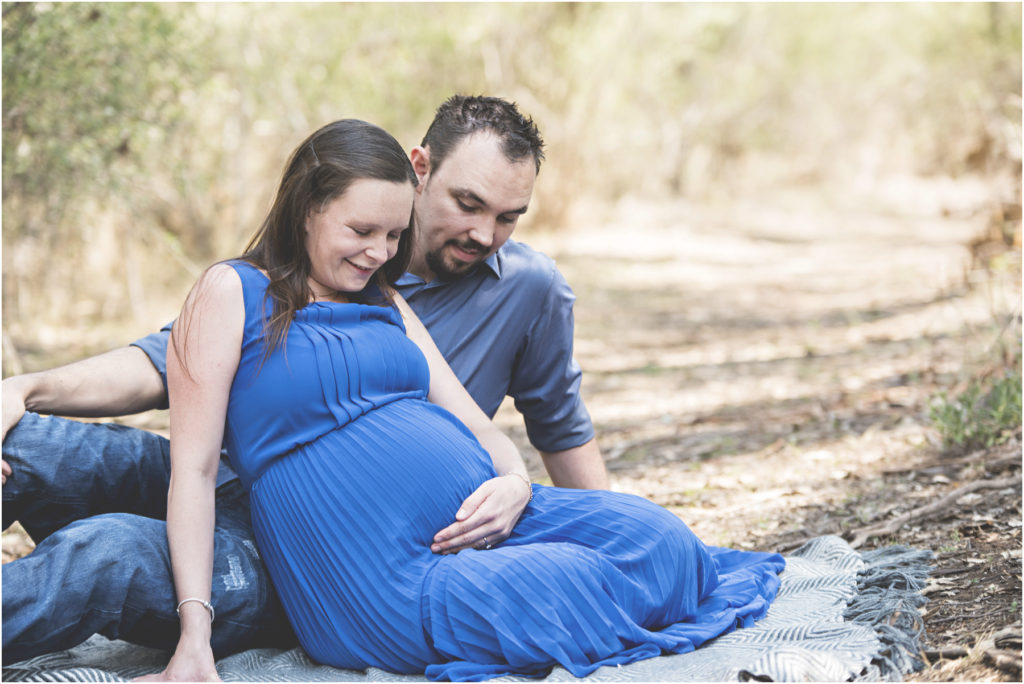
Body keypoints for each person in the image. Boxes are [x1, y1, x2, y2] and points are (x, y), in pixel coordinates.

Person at [134, 117, 784, 682]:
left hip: (487, 522)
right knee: (568, 585)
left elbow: (480, 426)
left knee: (663, 540)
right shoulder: (232, 292)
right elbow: (190, 473)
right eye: (362, 230)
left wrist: (514, 485)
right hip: (385, 577)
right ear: (307, 206)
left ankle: (569, 580)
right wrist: (196, 636)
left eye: (393, 236)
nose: (378, 253)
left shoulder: (382, 298)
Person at [2, 96, 605, 663]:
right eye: (468, 204)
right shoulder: (318, 263)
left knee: (105, 555)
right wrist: (26, 387)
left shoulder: (527, 290)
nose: (484, 233)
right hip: (233, 480)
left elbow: (560, 427)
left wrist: (569, 519)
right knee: (25, 445)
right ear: (418, 171)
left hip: (325, 543)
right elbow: (167, 361)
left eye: (508, 218)